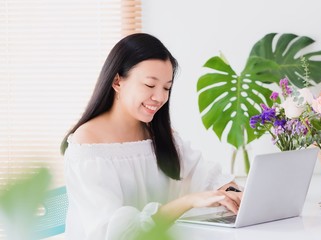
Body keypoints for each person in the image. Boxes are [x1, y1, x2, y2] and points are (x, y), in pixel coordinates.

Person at [61, 33, 242, 239]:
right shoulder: (88, 144)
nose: (160, 97)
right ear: (117, 81)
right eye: (149, 85)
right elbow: (115, 232)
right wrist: (187, 202)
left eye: (167, 87)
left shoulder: (160, 134)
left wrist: (235, 194)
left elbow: (206, 176)